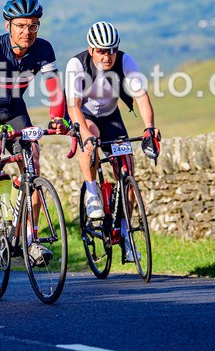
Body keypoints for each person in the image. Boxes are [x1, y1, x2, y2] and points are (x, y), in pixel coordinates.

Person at [0, 0, 69, 266]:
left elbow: (54, 88)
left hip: (14, 109)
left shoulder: (43, 49)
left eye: (33, 26)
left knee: (33, 167)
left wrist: (58, 118)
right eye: (21, 25)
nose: (27, 32)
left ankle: (30, 238)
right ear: (8, 25)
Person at [64, 21, 161, 262]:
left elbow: (141, 97)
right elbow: (73, 106)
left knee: (127, 170)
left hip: (111, 116)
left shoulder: (125, 61)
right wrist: (85, 136)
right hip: (83, 115)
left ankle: (126, 236)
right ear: (91, 49)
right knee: (91, 137)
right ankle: (92, 192)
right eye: (101, 51)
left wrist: (149, 128)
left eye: (112, 50)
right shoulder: (77, 65)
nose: (107, 56)